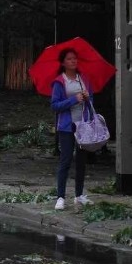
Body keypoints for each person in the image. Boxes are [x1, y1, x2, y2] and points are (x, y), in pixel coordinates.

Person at [50, 47, 95, 210]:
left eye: (75, 58)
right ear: (63, 62)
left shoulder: (84, 79)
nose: (73, 61)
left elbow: (91, 100)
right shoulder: (59, 82)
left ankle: (79, 195)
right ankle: (60, 197)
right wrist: (73, 99)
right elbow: (54, 106)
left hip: (83, 126)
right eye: (69, 59)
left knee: (82, 161)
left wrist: (88, 99)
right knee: (66, 160)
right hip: (67, 126)